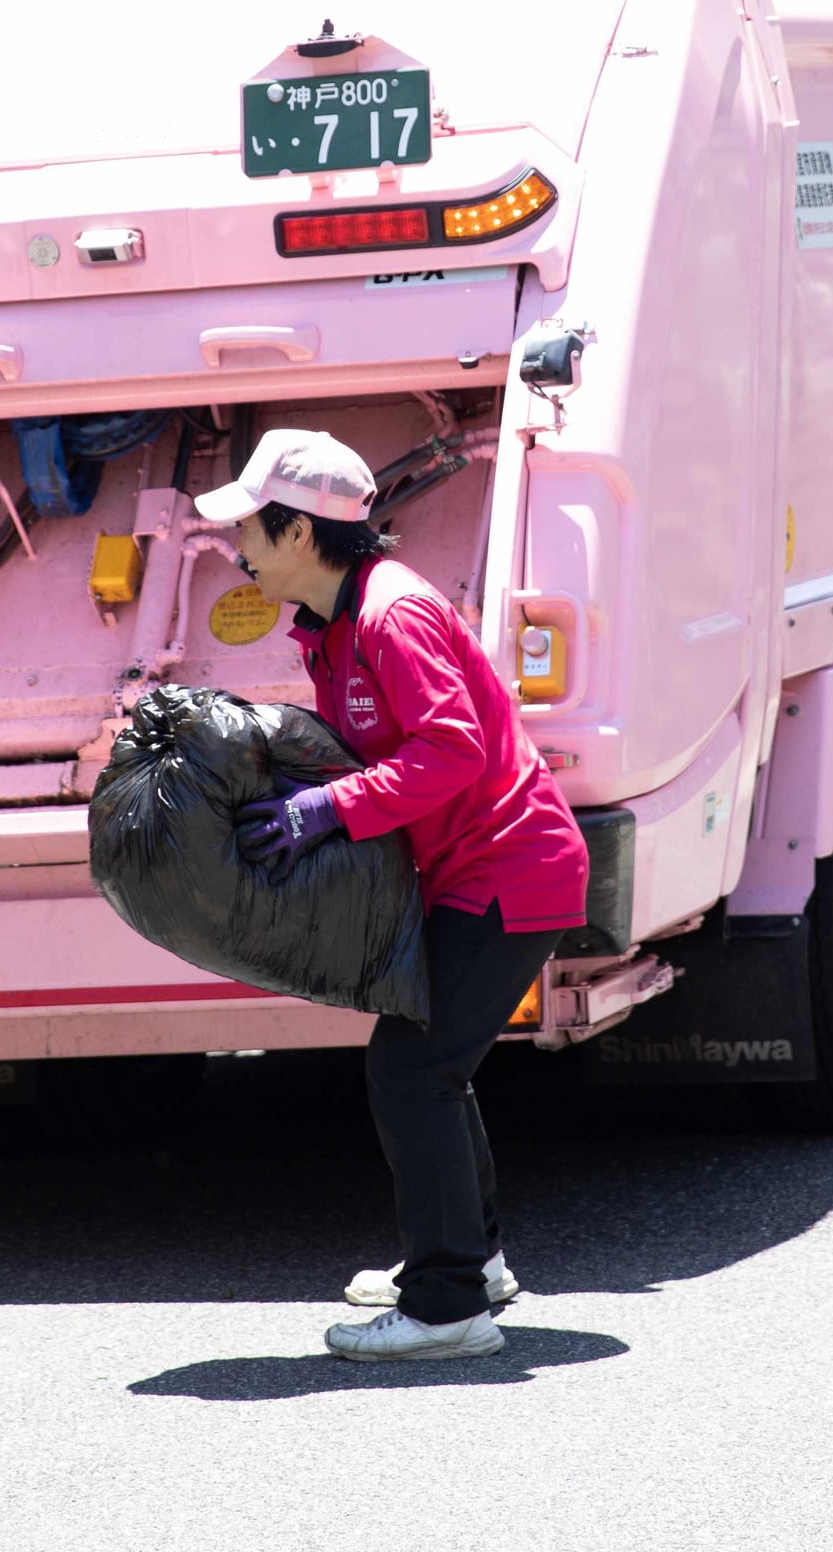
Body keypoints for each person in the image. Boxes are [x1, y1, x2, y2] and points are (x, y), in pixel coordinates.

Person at [203, 428, 590, 1365]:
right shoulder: (333, 627)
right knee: (430, 1068)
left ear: (298, 533)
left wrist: (327, 810)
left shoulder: (389, 614)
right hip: (475, 870)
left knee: (412, 1069)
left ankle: (448, 1302)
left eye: (248, 528)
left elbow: (451, 752)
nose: (235, 547)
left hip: (510, 869)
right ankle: (472, 1263)